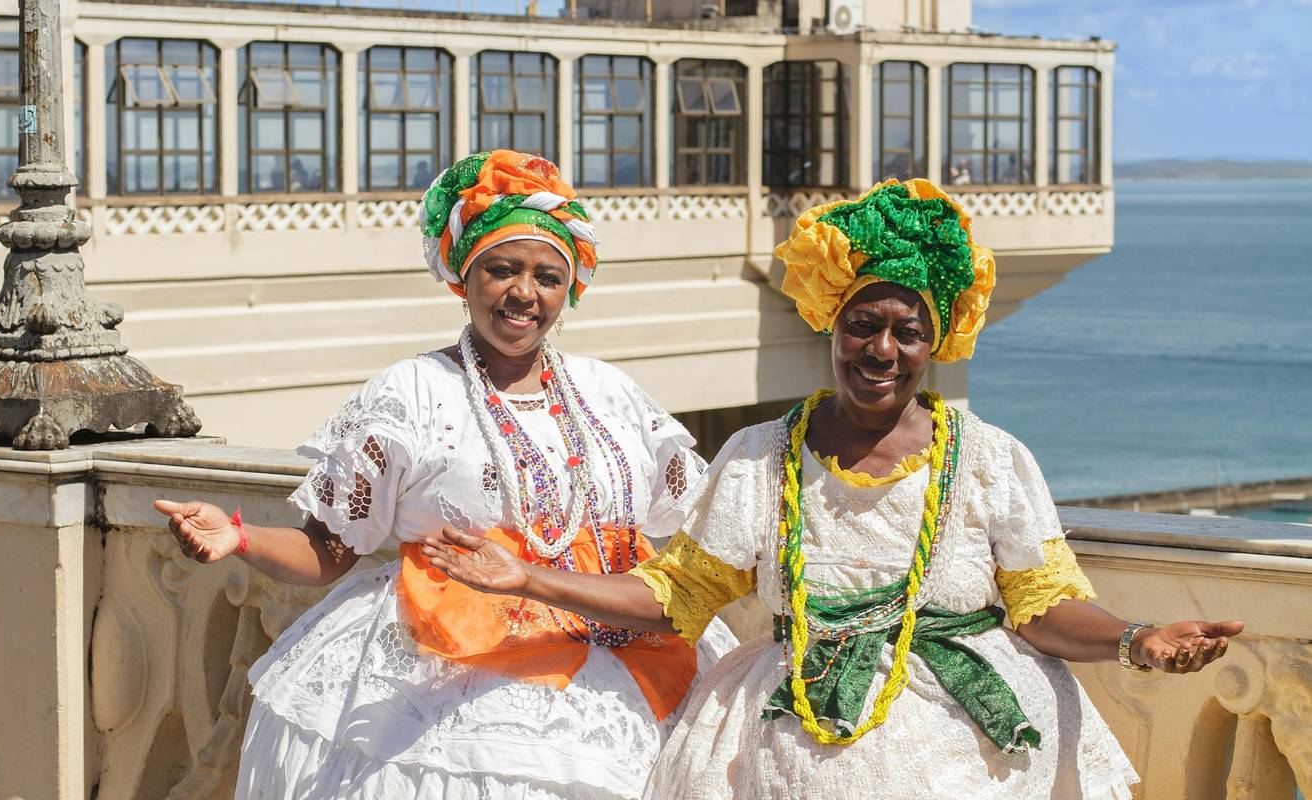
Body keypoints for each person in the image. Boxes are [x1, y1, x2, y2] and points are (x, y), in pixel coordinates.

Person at [423, 179, 1245, 799]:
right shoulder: (756, 457)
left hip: (976, 738)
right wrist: (527, 577)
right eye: (863, 324)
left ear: (934, 343)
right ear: (831, 324)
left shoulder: (991, 459)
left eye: (906, 330)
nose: (881, 349)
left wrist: (1140, 639)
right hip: (794, 730)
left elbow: (1043, 605)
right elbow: (678, 594)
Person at [153, 149, 735, 800]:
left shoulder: (611, 392)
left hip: (627, 659)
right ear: (465, 276)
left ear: (568, 289)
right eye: (502, 269)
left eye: (547, 275)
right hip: (449, 668)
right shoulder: (411, 393)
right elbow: (328, 549)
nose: (524, 292)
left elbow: (701, 526)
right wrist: (238, 537)